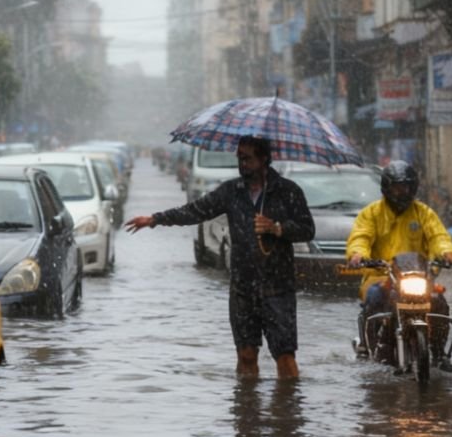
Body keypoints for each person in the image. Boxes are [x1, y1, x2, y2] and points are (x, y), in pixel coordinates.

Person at [126, 136, 314, 378]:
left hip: (278, 288)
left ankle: (287, 401)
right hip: (242, 288)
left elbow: (307, 229)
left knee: (285, 358)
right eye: (239, 158)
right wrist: (155, 219)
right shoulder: (232, 191)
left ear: (264, 159)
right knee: (246, 355)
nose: (242, 164)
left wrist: (277, 228)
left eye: (247, 159)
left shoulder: (288, 191)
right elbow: (196, 210)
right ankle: (246, 401)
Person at [345, 160, 452, 370]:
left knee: (439, 302)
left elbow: (438, 237)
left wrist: (447, 253)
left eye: (406, 187)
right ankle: (369, 344)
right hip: (381, 275)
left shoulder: (424, 213)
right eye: (397, 187)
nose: (402, 192)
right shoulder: (371, 213)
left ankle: (439, 353)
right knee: (374, 296)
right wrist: (358, 254)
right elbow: (360, 237)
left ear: (413, 187)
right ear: (386, 188)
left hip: (418, 276)